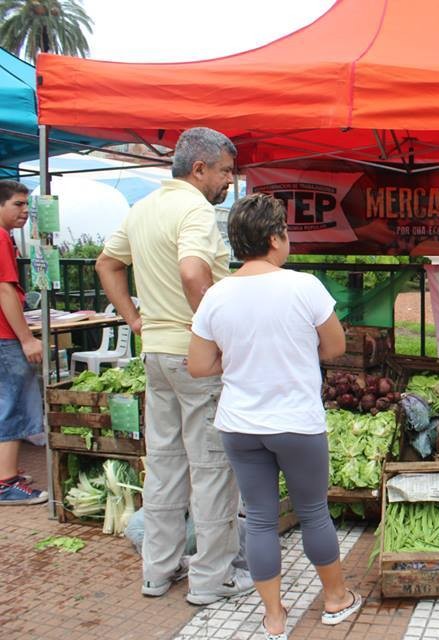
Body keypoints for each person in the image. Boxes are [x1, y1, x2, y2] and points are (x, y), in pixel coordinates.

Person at [188, 194, 362, 638]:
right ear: (273, 238)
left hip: (240, 425)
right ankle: (337, 599)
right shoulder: (304, 287)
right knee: (314, 512)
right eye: (284, 231)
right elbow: (336, 348)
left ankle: (274, 617)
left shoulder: (216, 295)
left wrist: (242, 357)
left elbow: (200, 365)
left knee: (262, 518)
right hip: (297, 423)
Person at [96, 127, 253, 604]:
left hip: (157, 355)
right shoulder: (194, 210)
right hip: (195, 356)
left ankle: (157, 572)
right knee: (211, 469)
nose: (229, 180)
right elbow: (191, 270)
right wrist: (212, 335)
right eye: (225, 171)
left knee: (164, 466)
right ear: (199, 168)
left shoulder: (141, 210)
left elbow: (107, 263)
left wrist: (136, 320)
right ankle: (211, 580)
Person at [0, 181, 47, 505]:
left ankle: (7, 470)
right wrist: (27, 339)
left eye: (26, 205)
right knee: (14, 405)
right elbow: (4, 290)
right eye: (17, 204)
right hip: (5, 337)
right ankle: (6, 483)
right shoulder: (1, 237)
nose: (25, 211)